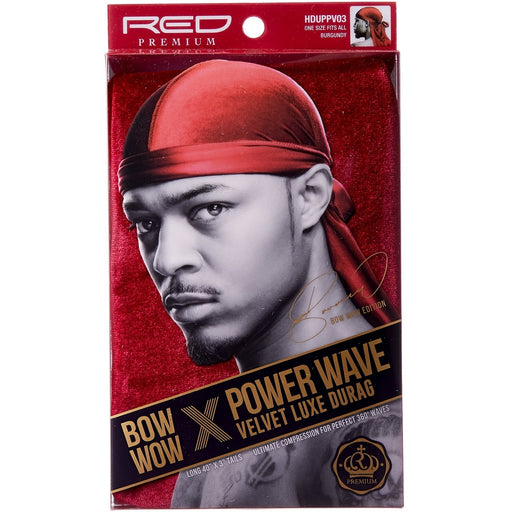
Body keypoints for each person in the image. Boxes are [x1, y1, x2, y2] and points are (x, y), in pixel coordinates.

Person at [119, 59, 402, 507]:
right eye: (146, 223)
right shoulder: (211, 443)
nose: (167, 259)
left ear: (310, 197)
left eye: (209, 208)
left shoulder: (381, 434)